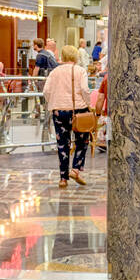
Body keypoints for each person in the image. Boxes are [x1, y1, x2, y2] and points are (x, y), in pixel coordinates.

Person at [43, 45, 92, 188]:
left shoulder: (55, 72)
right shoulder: (80, 71)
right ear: (76, 56)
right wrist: (88, 103)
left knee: (62, 144)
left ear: (63, 56)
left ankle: (63, 178)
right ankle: (75, 169)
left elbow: (46, 91)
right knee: (82, 141)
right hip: (78, 110)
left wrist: (53, 102)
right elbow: (84, 89)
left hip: (58, 110)